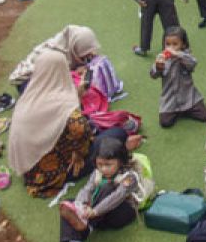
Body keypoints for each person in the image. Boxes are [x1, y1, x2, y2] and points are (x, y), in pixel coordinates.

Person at [8, 50, 131, 197]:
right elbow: (81, 131)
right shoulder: (68, 110)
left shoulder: (29, 96)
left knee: (92, 127)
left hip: (29, 167)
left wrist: (76, 95)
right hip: (52, 174)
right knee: (118, 134)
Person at [54, 136, 143, 242]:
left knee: (106, 187)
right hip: (98, 214)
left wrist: (94, 211)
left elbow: (116, 197)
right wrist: (82, 203)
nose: (103, 169)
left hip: (120, 213)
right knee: (69, 203)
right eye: (100, 164)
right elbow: (87, 188)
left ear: (121, 161)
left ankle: (86, 225)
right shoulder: (98, 172)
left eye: (108, 165)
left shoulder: (130, 177)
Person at [151, 26, 206, 128]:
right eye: (167, 44)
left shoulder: (186, 56)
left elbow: (193, 63)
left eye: (175, 44)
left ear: (183, 44)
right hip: (170, 100)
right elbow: (153, 75)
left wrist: (178, 54)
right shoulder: (162, 58)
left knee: (205, 116)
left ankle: (186, 110)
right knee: (165, 123)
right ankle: (178, 112)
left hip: (189, 98)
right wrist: (158, 67)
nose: (170, 48)